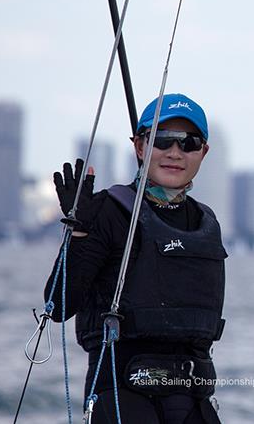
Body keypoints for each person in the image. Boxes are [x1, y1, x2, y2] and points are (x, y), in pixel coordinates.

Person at [45, 93, 226, 424]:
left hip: (192, 398)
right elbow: (57, 305)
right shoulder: (106, 210)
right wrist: (80, 232)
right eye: (161, 140)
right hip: (122, 395)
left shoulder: (206, 222)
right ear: (140, 146)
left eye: (189, 142)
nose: (174, 152)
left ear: (204, 152)